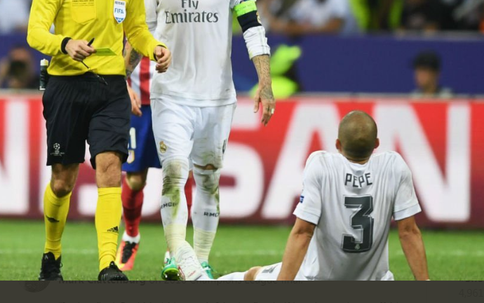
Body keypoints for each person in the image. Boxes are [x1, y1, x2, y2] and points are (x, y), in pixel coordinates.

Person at [27, 0, 171, 282]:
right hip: (66, 85)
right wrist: (64, 43)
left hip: (110, 88)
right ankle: (52, 254)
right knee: (63, 179)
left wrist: (153, 47)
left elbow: (137, 29)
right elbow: (35, 32)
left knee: (110, 169)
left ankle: (108, 264)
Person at [141, 0, 274, 280]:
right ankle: (179, 257)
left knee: (209, 179)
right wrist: (132, 71)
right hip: (170, 93)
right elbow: (142, 31)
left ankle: (198, 259)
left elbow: (252, 27)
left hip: (217, 98)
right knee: (173, 173)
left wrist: (265, 84)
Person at [183, 111, 429, 281]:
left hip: (316, 281)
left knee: (253, 275)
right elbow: (409, 232)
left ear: (337, 144)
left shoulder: (321, 165)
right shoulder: (394, 166)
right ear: (376, 144)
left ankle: (199, 280)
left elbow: (303, 232)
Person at [116, 0, 186, 275]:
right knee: (136, 177)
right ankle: (130, 236)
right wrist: (122, 81)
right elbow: (117, 35)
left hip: (178, 94)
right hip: (140, 93)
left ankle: (176, 248)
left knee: (177, 173)